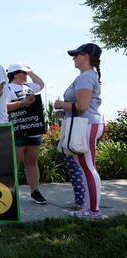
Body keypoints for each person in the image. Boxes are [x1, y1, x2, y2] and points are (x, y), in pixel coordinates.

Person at [54, 43, 104, 218]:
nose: (73, 58)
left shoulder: (85, 77)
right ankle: (88, 207)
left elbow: (82, 106)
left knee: (88, 168)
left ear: (85, 57)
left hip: (86, 126)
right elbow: (81, 106)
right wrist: (64, 111)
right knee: (86, 168)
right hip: (88, 125)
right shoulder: (88, 76)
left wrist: (61, 104)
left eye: (76, 55)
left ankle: (93, 211)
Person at [6, 62, 47, 204]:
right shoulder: (7, 88)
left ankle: (35, 192)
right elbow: (4, 107)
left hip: (33, 130)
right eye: (23, 72)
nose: (26, 75)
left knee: (32, 161)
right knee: (14, 163)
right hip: (17, 131)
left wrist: (30, 71)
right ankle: (10, 193)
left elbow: (41, 84)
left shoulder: (29, 87)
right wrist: (22, 103)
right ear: (16, 74)